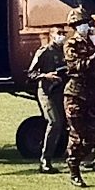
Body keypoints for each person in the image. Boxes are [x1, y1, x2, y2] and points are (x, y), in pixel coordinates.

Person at [63, 7, 95, 187]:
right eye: (80, 24)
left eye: (86, 24)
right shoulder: (71, 44)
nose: (84, 27)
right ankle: (74, 169)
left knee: (93, 137)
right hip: (75, 94)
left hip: (92, 94)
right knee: (77, 135)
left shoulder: (91, 43)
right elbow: (77, 66)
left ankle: (75, 160)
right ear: (74, 26)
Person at [27, 26, 68, 174]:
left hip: (61, 92)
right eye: (59, 34)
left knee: (65, 123)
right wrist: (45, 76)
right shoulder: (44, 52)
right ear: (51, 35)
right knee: (54, 122)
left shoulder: (66, 50)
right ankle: (45, 160)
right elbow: (30, 73)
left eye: (64, 33)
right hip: (47, 92)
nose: (62, 36)